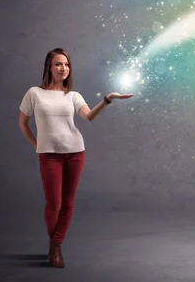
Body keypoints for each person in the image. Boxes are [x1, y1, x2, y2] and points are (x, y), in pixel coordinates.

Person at [18, 48, 133, 268]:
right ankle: (55, 244)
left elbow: (89, 117)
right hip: (49, 156)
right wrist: (38, 146)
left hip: (74, 153)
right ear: (49, 68)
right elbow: (22, 124)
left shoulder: (73, 95)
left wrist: (108, 99)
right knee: (53, 203)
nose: (63, 69)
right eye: (58, 64)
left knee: (68, 203)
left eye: (67, 65)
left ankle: (56, 246)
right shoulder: (34, 93)